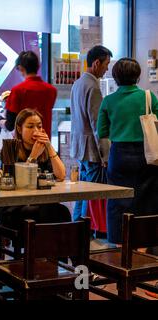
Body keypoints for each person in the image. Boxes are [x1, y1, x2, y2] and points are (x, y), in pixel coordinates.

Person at [97, 58, 158, 244]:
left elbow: (102, 131)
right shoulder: (149, 97)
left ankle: (118, 242)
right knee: (147, 199)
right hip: (147, 154)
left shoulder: (108, 100)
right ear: (138, 76)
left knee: (117, 200)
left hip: (119, 155)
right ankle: (144, 245)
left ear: (115, 76)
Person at [0, 109, 69, 233]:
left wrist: (49, 147)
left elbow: (61, 175)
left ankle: (60, 250)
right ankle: (41, 250)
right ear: (19, 129)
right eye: (30, 126)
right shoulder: (10, 148)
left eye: (39, 126)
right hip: (14, 206)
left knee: (62, 211)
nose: (36, 130)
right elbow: (20, 183)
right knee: (46, 211)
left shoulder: (44, 149)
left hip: (41, 202)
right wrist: (33, 157)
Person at [70, 45, 113, 221]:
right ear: (96, 63)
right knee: (92, 193)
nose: (107, 69)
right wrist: (105, 156)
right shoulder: (93, 87)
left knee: (82, 191)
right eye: (106, 64)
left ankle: (75, 225)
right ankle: (86, 230)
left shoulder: (78, 83)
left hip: (79, 147)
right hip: (91, 151)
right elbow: (98, 126)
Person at [0, 51, 57, 137]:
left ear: (21, 68)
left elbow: (10, 125)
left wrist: (0, 122)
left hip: (24, 145)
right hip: (44, 143)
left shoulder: (17, 91)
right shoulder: (52, 90)